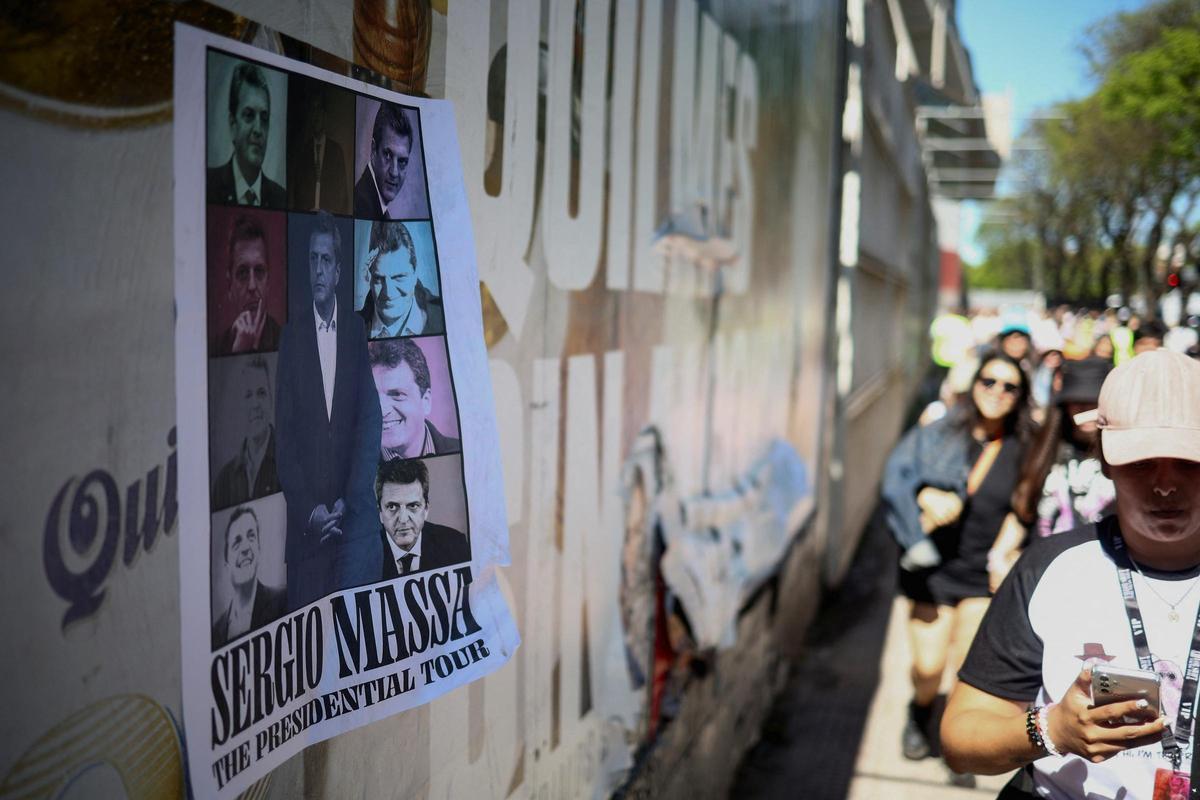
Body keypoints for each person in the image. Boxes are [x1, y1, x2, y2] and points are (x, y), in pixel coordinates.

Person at [942, 349, 1200, 798]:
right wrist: (1050, 729)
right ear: (1104, 459)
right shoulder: (1053, 569)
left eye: (1189, 462)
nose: (1165, 484)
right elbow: (961, 737)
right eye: (1140, 462)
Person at [881, 352, 1036, 769]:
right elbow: (899, 476)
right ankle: (921, 710)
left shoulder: (1024, 449)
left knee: (967, 673)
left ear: (1020, 396)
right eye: (989, 381)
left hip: (979, 574)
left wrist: (1007, 548)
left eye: (1009, 387)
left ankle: (957, 745)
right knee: (928, 668)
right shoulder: (940, 432)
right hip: (932, 569)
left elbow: (1024, 510)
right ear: (975, 384)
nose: (997, 392)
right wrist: (924, 495)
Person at [275, 211, 382, 610]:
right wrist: (311, 512)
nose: (317, 269)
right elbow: (284, 442)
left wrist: (346, 502)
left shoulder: (355, 331)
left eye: (326, 260)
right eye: (312, 259)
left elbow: (369, 422)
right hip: (308, 538)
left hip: (353, 529)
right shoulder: (291, 337)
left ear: (338, 270)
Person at [375, 457, 470, 579]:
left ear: (426, 509)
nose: (403, 519)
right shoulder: (363, 557)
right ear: (380, 513)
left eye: (413, 506)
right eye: (392, 506)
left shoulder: (455, 545)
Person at [208, 62, 286, 208]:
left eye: (264, 118)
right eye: (249, 115)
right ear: (233, 125)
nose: (258, 129)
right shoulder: (208, 185)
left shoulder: (281, 198)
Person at [368, 338, 460, 460]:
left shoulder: (461, 450)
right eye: (373, 398)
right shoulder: (355, 463)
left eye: (397, 394)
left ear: (426, 401)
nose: (382, 411)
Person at [211, 506, 286, 648]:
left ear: (258, 549)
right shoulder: (216, 631)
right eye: (237, 542)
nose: (246, 548)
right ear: (227, 563)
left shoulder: (282, 600)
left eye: (251, 536)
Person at [212, 355, 281, 510]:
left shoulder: (290, 462)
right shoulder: (223, 481)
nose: (255, 404)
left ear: (271, 398)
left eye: (261, 393)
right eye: (248, 395)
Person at [358, 221, 445, 338]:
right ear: (370, 278)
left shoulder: (443, 316)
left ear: (415, 275)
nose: (389, 293)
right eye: (379, 278)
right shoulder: (351, 327)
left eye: (399, 277)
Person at [213, 215, 281, 355]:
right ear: (229, 285)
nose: (251, 286)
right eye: (243, 273)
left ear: (268, 282)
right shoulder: (215, 348)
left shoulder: (286, 341)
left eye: (259, 271)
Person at [288, 90, 350, 214]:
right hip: (307, 216)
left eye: (319, 111)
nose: (316, 116)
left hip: (329, 219)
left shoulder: (336, 151)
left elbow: (343, 196)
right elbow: (297, 194)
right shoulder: (303, 152)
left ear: (325, 116)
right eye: (313, 111)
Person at [354, 102, 413, 220]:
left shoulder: (377, 209)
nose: (394, 172)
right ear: (374, 150)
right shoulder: (360, 206)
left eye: (402, 161)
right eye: (387, 155)